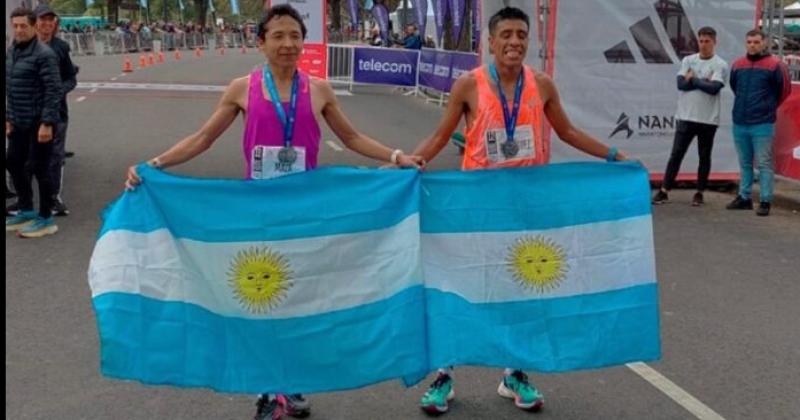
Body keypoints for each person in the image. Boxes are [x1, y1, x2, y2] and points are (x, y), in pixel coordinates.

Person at [123, 5, 424, 419]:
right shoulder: (242, 88)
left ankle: (294, 384)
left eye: (294, 36)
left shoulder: (319, 90)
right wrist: (153, 165)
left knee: (301, 299)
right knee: (261, 299)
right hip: (258, 214)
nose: (288, 44)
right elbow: (204, 138)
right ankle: (268, 389)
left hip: (307, 215)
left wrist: (396, 156)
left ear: (304, 41)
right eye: (278, 36)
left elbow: (351, 137)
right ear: (261, 42)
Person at [407, 7, 630, 415]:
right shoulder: (468, 85)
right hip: (476, 207)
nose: (514, 41)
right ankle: (443, 377)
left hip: (527, 208)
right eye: (506, 34)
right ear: (490, 42)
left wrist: (615, 155)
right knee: (462, 289)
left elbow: (568, 132)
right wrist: (405, 163)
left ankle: (514, 374)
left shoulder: (541, 85)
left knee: (522, 290)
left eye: (521, 34)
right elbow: (441, 136)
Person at [652, 26, 728, 207]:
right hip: (686, 116)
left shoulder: (720, 64)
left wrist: (692, 79)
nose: (703, 45)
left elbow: (714, 88)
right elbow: (680, 84)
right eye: (700, 41)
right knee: (676, 154)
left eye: (707, 41)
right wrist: (702, 81)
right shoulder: (688, 60)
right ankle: (664, 190)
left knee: (704, 156)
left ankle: (699, 192)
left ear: (714, 42)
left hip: (708, 119)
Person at [5, 6, 63, 238]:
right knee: (13, 163)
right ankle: (27, 209)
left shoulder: (44, 54)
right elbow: (11, 87)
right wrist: (8, 117)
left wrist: (47, 123)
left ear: (33, 26)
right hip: (18, 121)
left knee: (40, 168)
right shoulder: (12, 52)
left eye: (23, 26)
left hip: (40, 122)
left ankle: (46, 217)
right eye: (15, 26)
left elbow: (54, 90)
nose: (19, 30)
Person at [727, 29, 792, 217]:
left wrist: (767, 107)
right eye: (749, 42)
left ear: (764, 43)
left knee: (764, 163)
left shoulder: (775, 65)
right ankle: (744, 198)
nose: (752, 45)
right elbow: (735, 87)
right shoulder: (738, 65)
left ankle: (765, 200)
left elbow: (784, 90)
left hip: (762, 123)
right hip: (740, 121)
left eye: (756, 42)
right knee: (745, 162)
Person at [34, 4, 78, 216]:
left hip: (56, 111)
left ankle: (53, 198)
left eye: (50, 20)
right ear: (35, 22)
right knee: (25, 156)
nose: (46, 24)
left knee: (54, 155)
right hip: (29, 110)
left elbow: (71, 78)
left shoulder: (61, 47)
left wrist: (59, 90)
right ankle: (25, 200)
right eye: (42, 20)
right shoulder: (23, 45)